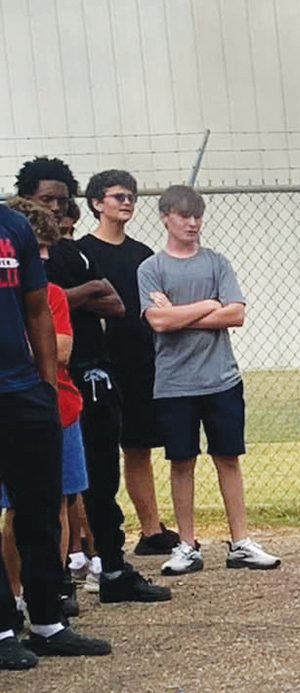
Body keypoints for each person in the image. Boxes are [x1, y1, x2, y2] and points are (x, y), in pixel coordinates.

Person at [19, 160, 168, 605]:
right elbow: (34, 305)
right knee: (53, 488)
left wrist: (68, 297)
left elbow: (116, 303)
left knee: (100, 474)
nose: (56, 211)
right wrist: (77, 295)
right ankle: (53, 579)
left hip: (94, 371)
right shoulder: (24, 255)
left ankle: (113, 566)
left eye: (62, 202)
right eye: (46, 201)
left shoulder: (72, 253)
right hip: (47, 378)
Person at [136, 185, 279, 576]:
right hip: (174, 384)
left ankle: (240, 542)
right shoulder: (151, 268)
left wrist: (183, 312)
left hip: (221, 380)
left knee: (227, 458)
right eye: (184, 216)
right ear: (166, 217)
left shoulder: (217, 263)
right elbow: (158, 321)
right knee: (181, 462)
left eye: (197, 216)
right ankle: (186, 544)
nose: (192, 223)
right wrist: (207, 305)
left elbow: (235, 314)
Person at [0, 191, 111, 672]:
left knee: (41, 511)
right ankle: (4, 628)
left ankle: (47, 622)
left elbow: (37, 308)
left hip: (25, 392)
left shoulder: (13, 228)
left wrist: (46, 386)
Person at [81, 169, 178, 556]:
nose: (126, 203)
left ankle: (151, 530)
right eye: (118, 196)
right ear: (96, 203)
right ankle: (87, 537)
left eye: (131, 197)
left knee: (138, 448)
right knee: (95, 453)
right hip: (99, 363)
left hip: (140, 361)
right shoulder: (83, 253)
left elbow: (157, 304)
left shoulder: (142, 255)